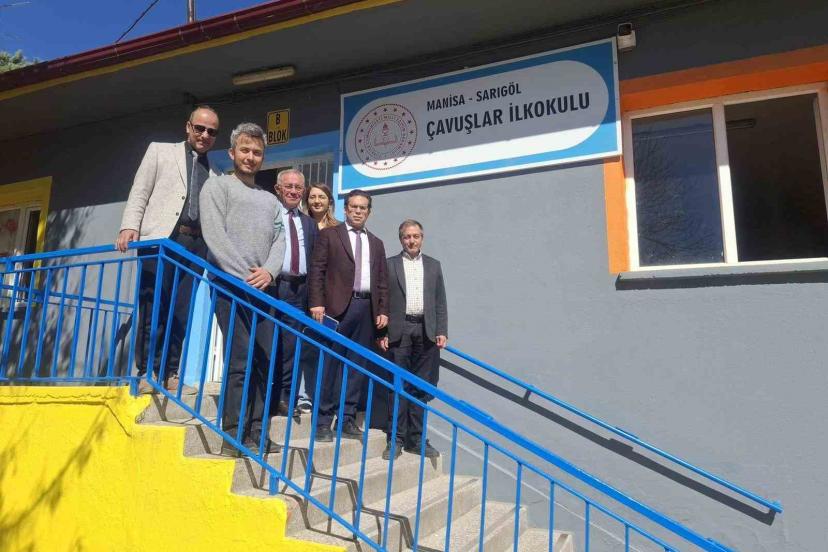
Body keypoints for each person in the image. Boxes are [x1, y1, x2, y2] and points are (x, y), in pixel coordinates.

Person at [116, 105, 220, 394]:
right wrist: (129, 225)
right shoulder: (160, 151)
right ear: (188, 127)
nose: (204, 135)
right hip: (161, 239)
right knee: (153, 305)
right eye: (200, 128)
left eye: (211, 131)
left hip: (195, 246)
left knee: (181, 310)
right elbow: (140, 190)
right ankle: (146, 371)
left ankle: (170, 372)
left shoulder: (216, 172)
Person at [199, 122, 285, 456]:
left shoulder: (270, 200)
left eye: (257, 152)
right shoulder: (217, 187)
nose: (250, 157)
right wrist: (244, 277)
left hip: (263, 289)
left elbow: (280, 240)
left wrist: (269, 272)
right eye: (245, 150)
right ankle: (233, 434)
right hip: (231, 287)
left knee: (264, 360)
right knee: (240, 359)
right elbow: (214, 236)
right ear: (232, 153)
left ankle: (257, 432)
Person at [308, 189, 388, 442]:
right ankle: (323, 422)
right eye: (353, 207)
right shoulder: (330, 235)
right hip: (336, 308)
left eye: (363, 207)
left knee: (357, 366)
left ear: (369, 212)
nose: (358, 211)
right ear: (345, 209)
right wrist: (317, 303)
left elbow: (382, 281)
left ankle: (347, 419)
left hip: (366, 309)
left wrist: (383, 310)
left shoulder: (376, 243)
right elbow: (317, 270)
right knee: (329, 365)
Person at [378, 220, 447, 460]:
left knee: (421, 387)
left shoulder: (433, 266)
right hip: (399, 331)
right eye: (407, 236)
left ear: (422, 238)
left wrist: (441, 330)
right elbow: (381, 301)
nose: (412, 241)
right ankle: (395, 439)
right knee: (398, 386)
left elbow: (439, 301)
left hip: (426, 332)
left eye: (416, 236)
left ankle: (416, 439)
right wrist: (381, 333)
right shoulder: (390, 265)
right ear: (401, 239)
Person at [271, 168, 319, 416]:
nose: (293, 191)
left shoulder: (309, 224)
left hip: (300, 290)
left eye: (298, 187)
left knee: (292, 346)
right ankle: (266, 395)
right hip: (274, 286)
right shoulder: (269, 215)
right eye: (288, 186)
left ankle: (285, 398)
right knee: (271, 343)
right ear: (278, 189)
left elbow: (316, 263)